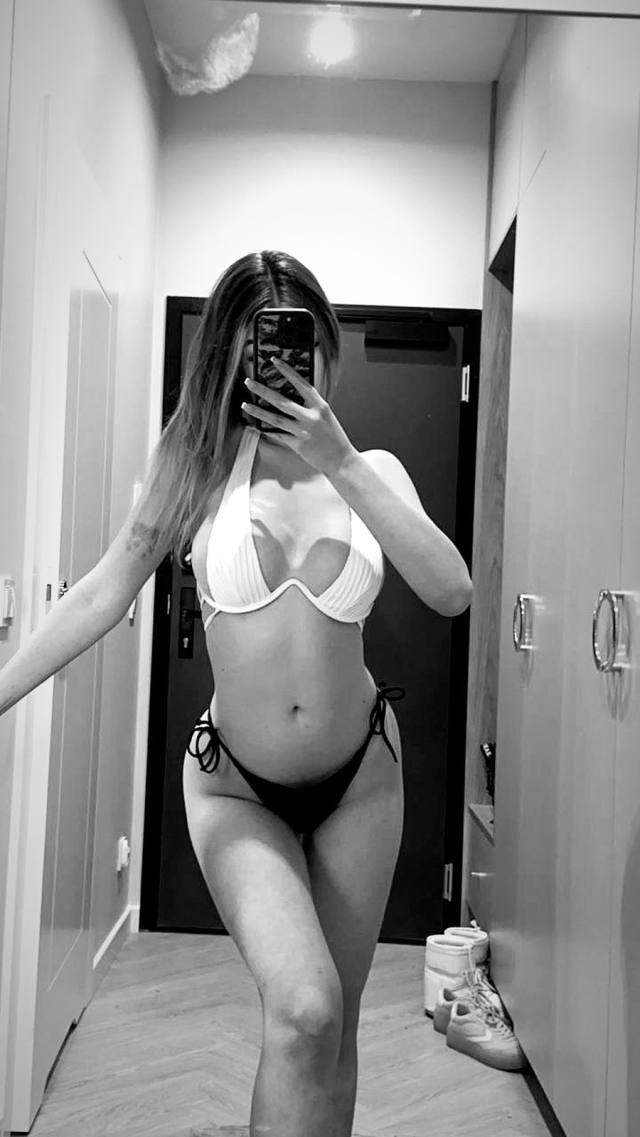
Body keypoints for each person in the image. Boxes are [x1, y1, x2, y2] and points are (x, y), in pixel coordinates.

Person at [0, 250, 473, 1137]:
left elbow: (452, 589)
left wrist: (339, 460)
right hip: (236, 787)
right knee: (303, 1007)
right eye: (268, 346)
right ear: (231, 354)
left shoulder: (371, 468)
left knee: (333, 1028)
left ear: (327, 349)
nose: (292, 365)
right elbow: (103, 592)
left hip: (363, 782)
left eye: (306, 344)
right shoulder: (195, 467)